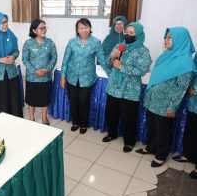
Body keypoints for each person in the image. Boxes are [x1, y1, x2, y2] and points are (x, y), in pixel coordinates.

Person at [136, 27, 196, 167]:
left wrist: (171, 107)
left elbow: (181, 89)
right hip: (153, 100)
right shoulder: (166, 56)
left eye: (170, 37)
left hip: (165, 104)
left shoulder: (186, 62)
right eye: (165, 37)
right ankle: (151, 147)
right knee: (152, 126)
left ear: (180, 40)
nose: (166, 40)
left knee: (163, 130)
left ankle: (161, 155)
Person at [102, 22, 152, 153]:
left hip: (129, 90)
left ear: (139, 35)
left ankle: (129, 141)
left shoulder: (143, 51)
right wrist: (112, 57)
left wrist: (121, 67)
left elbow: (142, 70)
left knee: (128, 118)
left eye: (131, 33)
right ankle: (112, 134)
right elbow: (108, 63)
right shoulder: (120, 46)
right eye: (126, 32)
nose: (128, 35)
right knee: (111, 113)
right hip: (114, 86)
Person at [60, 18, 110, 134]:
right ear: (77, 30)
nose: (84, 30)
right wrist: (63, 76)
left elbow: (102, 60)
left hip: (87, 78)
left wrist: (111, 75)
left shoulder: (96, 42)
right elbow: (65, 60)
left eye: (86, 27)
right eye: (81, 28)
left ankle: (84, 123)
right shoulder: (72, 42)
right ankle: (75, 122)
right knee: (73, 101)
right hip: (72, 77)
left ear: (90, 28)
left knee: (83, 101)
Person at [22, 19, 57, 124]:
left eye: (45, 27)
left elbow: (54, 58)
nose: (44, 30)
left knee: (44, 98)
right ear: (34, 30)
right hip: (32, 77)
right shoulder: (28, 43)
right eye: (41, 28)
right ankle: (32, 118)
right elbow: (25, 59)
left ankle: (44, 117)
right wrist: (34, 71)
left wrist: (47, 69)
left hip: (46, 76)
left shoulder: (50, 42)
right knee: (31, 98)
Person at [172, 53, 197, 179]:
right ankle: (188, 154)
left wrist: (195, 88)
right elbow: (193, 71)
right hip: (193, 101)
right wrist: (188, 86)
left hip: (194, 92)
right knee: (191, 129)